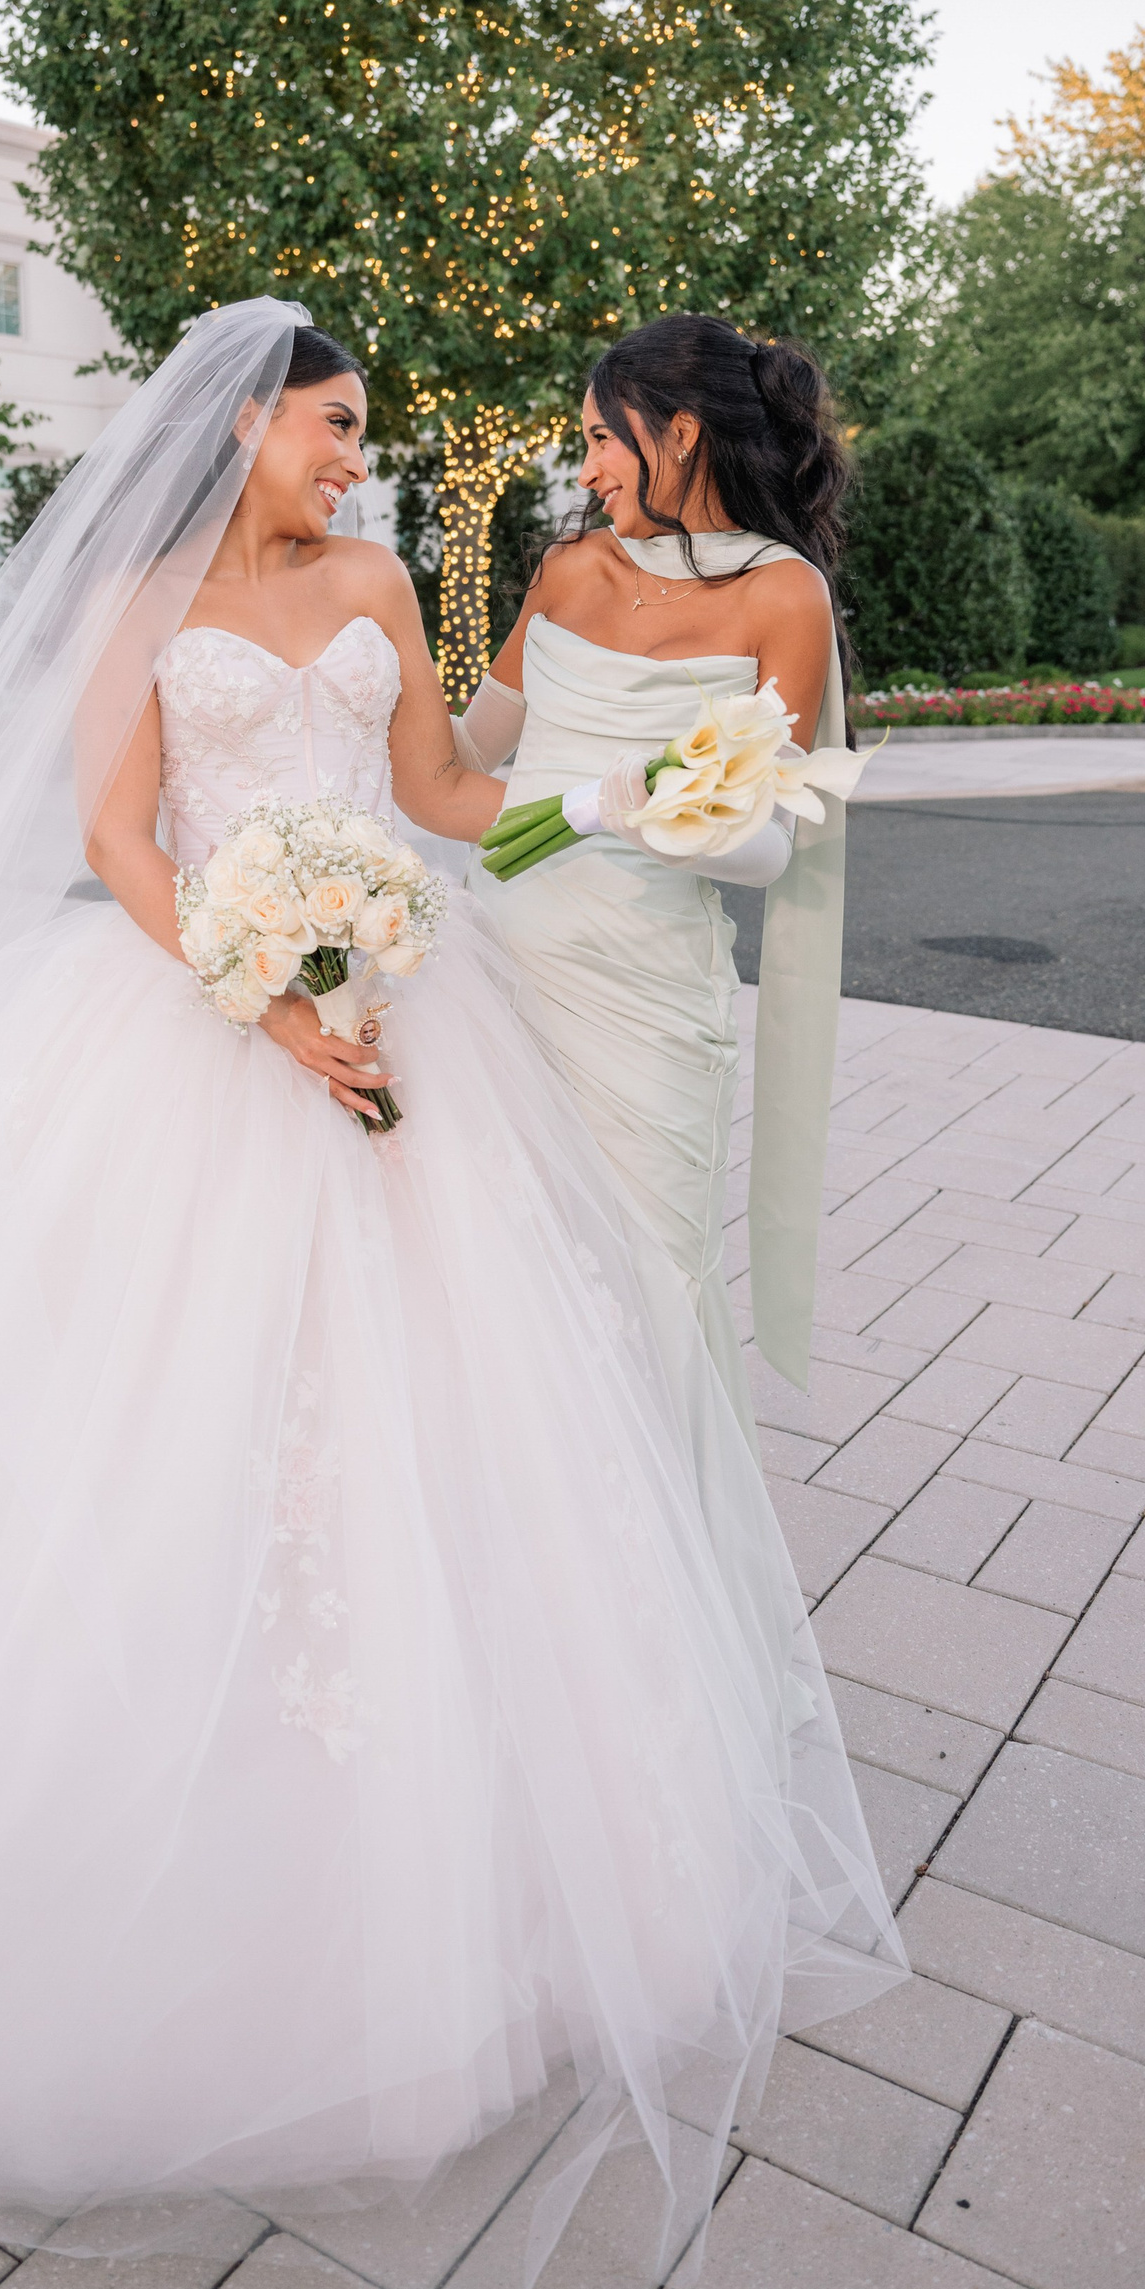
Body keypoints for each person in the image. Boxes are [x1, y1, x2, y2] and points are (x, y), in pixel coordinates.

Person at [0, 301, 898, 2289]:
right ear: (243, 425)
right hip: (193, 1020)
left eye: (362, 429)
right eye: (337, 424)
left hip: (401, 1011)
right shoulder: (133, 603)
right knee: (106, 1412)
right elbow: (116, 835)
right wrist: (260, 992)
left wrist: (616, 814)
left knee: (430, 1421)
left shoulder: (380, 584)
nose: (359, 458)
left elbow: (442, 797)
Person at [456, 314, 856, 1457]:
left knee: (646, 1273)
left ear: (678, 433)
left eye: (600, 439)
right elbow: (472, 752)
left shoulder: (784, 595)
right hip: (502, 972)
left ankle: (661, 1539)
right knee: (503, 1270)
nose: (585, 470)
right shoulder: (568, 571)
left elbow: (772, 848)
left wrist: (656, 819)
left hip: (647, 995)